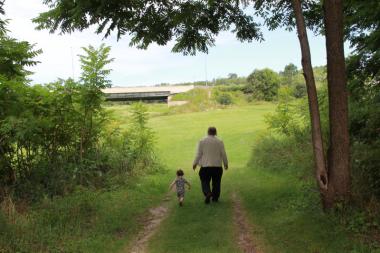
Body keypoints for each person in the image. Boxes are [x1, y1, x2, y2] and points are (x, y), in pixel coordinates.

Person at [193, 127, 228, 204]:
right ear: (216, 133)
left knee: (204, 181)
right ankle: (215, 198)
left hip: (205, 167)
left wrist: (194, 163)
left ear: (207, 132)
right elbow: (223, 154)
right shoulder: (220, 141)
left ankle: (207, 192)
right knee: (216, 182)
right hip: (217, 167)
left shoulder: (202, 141)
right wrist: (226, 164)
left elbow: (198, 154)